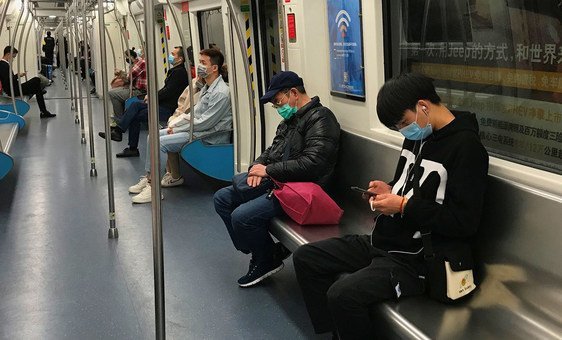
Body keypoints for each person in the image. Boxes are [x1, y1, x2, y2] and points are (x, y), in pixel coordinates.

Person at [292, 73, 489, 339]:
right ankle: (335, 331)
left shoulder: (467, 149)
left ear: (423, 106)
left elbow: (463, 222)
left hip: (419, 259)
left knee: (342, 295)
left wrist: (404, 206)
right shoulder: (419, 135)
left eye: (403, 123)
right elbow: (408, 184)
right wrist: (389, 189)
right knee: (307, 257)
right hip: (386, 240)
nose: (403, 131)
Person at [214, 71, 341, 287]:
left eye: (278, 101)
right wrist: (256, 167)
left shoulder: (321, 118)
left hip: (304, 190)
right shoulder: (289, 121)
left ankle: (264, 259)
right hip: (283, 182)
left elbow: (314, 164)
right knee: (222, 198)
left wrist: (269, 170)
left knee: (241, 217)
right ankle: (264, 250)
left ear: (293, 93)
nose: (278, 107)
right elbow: (272, 150)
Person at [129, 48, 232, 204]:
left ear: (215, 68)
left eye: (203, 63)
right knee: (154, 136)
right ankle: (150, 178)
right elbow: (196, 113)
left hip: (210, 136)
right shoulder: (207, 87)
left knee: (161, 142)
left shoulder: (221, 93)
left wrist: (177, 128)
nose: (200, 66)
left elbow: (206, 122)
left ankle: (154, 189)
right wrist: (175, 125)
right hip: (199, 131)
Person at [99, 46, 189, 158]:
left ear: (180, 59)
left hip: (167, 108)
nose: (170, 56)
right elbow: (165, 90)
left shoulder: (180, 73)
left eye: (173, 54)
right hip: (161, 104)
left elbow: (168, 92)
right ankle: (121, 133)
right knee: (135, 106)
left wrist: (151, 97)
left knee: (135, 115)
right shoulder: (174, 71)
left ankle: (125, 139)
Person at [0, 46, 56, 118]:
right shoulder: (3, 65)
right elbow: (7, 80)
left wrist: (17, 75)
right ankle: (43, 111)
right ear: (8, 54)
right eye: (13, 57)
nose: (13, 59)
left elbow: (9, 79)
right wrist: (17, 75)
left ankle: (43, 110)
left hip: (15, 88)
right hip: (13, 90)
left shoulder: (4, 64)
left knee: (37, 87)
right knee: (36, 80)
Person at [107, 48, 147, 121]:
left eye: (126, 57)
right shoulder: (136, 64)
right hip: (135, 88)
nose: (126, 59)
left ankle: (120, 119)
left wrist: (121, 74)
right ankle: (122, 116)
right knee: (114, 91)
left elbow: (129, 77)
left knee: (112, 94)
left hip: (140, 92)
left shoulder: (142, 62)